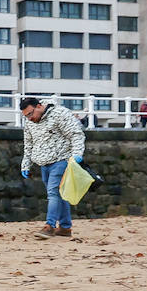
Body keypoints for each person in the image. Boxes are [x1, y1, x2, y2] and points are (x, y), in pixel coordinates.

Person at [18, 96, 86, 239]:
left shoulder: (60, 113)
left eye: (30, 114)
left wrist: (77, 154)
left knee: (53, 193)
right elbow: (28, 144)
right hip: (43, 163)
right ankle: (65, 228)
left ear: (39, 106)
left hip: (61, 160)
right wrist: (26, 165)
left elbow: (76, 134)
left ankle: (49, 226)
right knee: (60, 194)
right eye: (25, 116)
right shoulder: (29, 123)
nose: (29, 118)